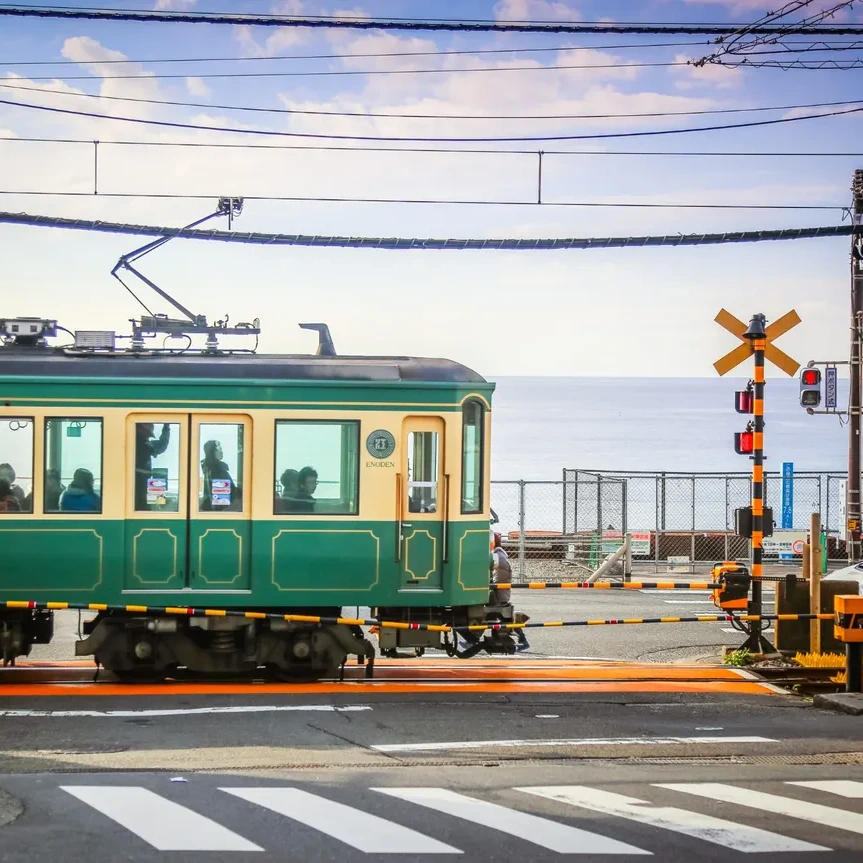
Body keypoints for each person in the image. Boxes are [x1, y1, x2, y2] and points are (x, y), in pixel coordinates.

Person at [135, 424, 171, 509]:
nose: (148, 437)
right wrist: (166, 428)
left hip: (140, 485)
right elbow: (161, 446)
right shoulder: (140, 443)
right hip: (138, 485)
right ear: (140, 430)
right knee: (142, 507)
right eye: (147, 433)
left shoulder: (140, 442)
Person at [200, 439, 238, 510]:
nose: (222, 451)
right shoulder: (217, 469)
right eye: (219, 449)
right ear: (212, 452)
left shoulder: (207, 468)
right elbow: (221, 499)